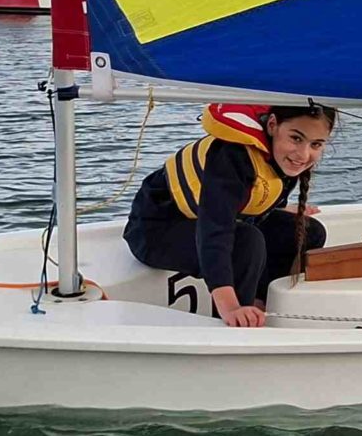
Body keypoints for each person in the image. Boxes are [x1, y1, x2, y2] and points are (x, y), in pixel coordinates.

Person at [129, 101, 334, 328]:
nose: (303, 154)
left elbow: (252, 193)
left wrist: (275, 209)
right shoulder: (232, 155)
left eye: (316, 144)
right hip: (155, 231)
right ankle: (235, 322)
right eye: (296, 138)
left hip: (216, 221)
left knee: (309, 231)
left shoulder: (279, 154)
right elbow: (214, 230)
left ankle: (261, 303)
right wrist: (229, 306)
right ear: (272, 125)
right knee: (247, 241)